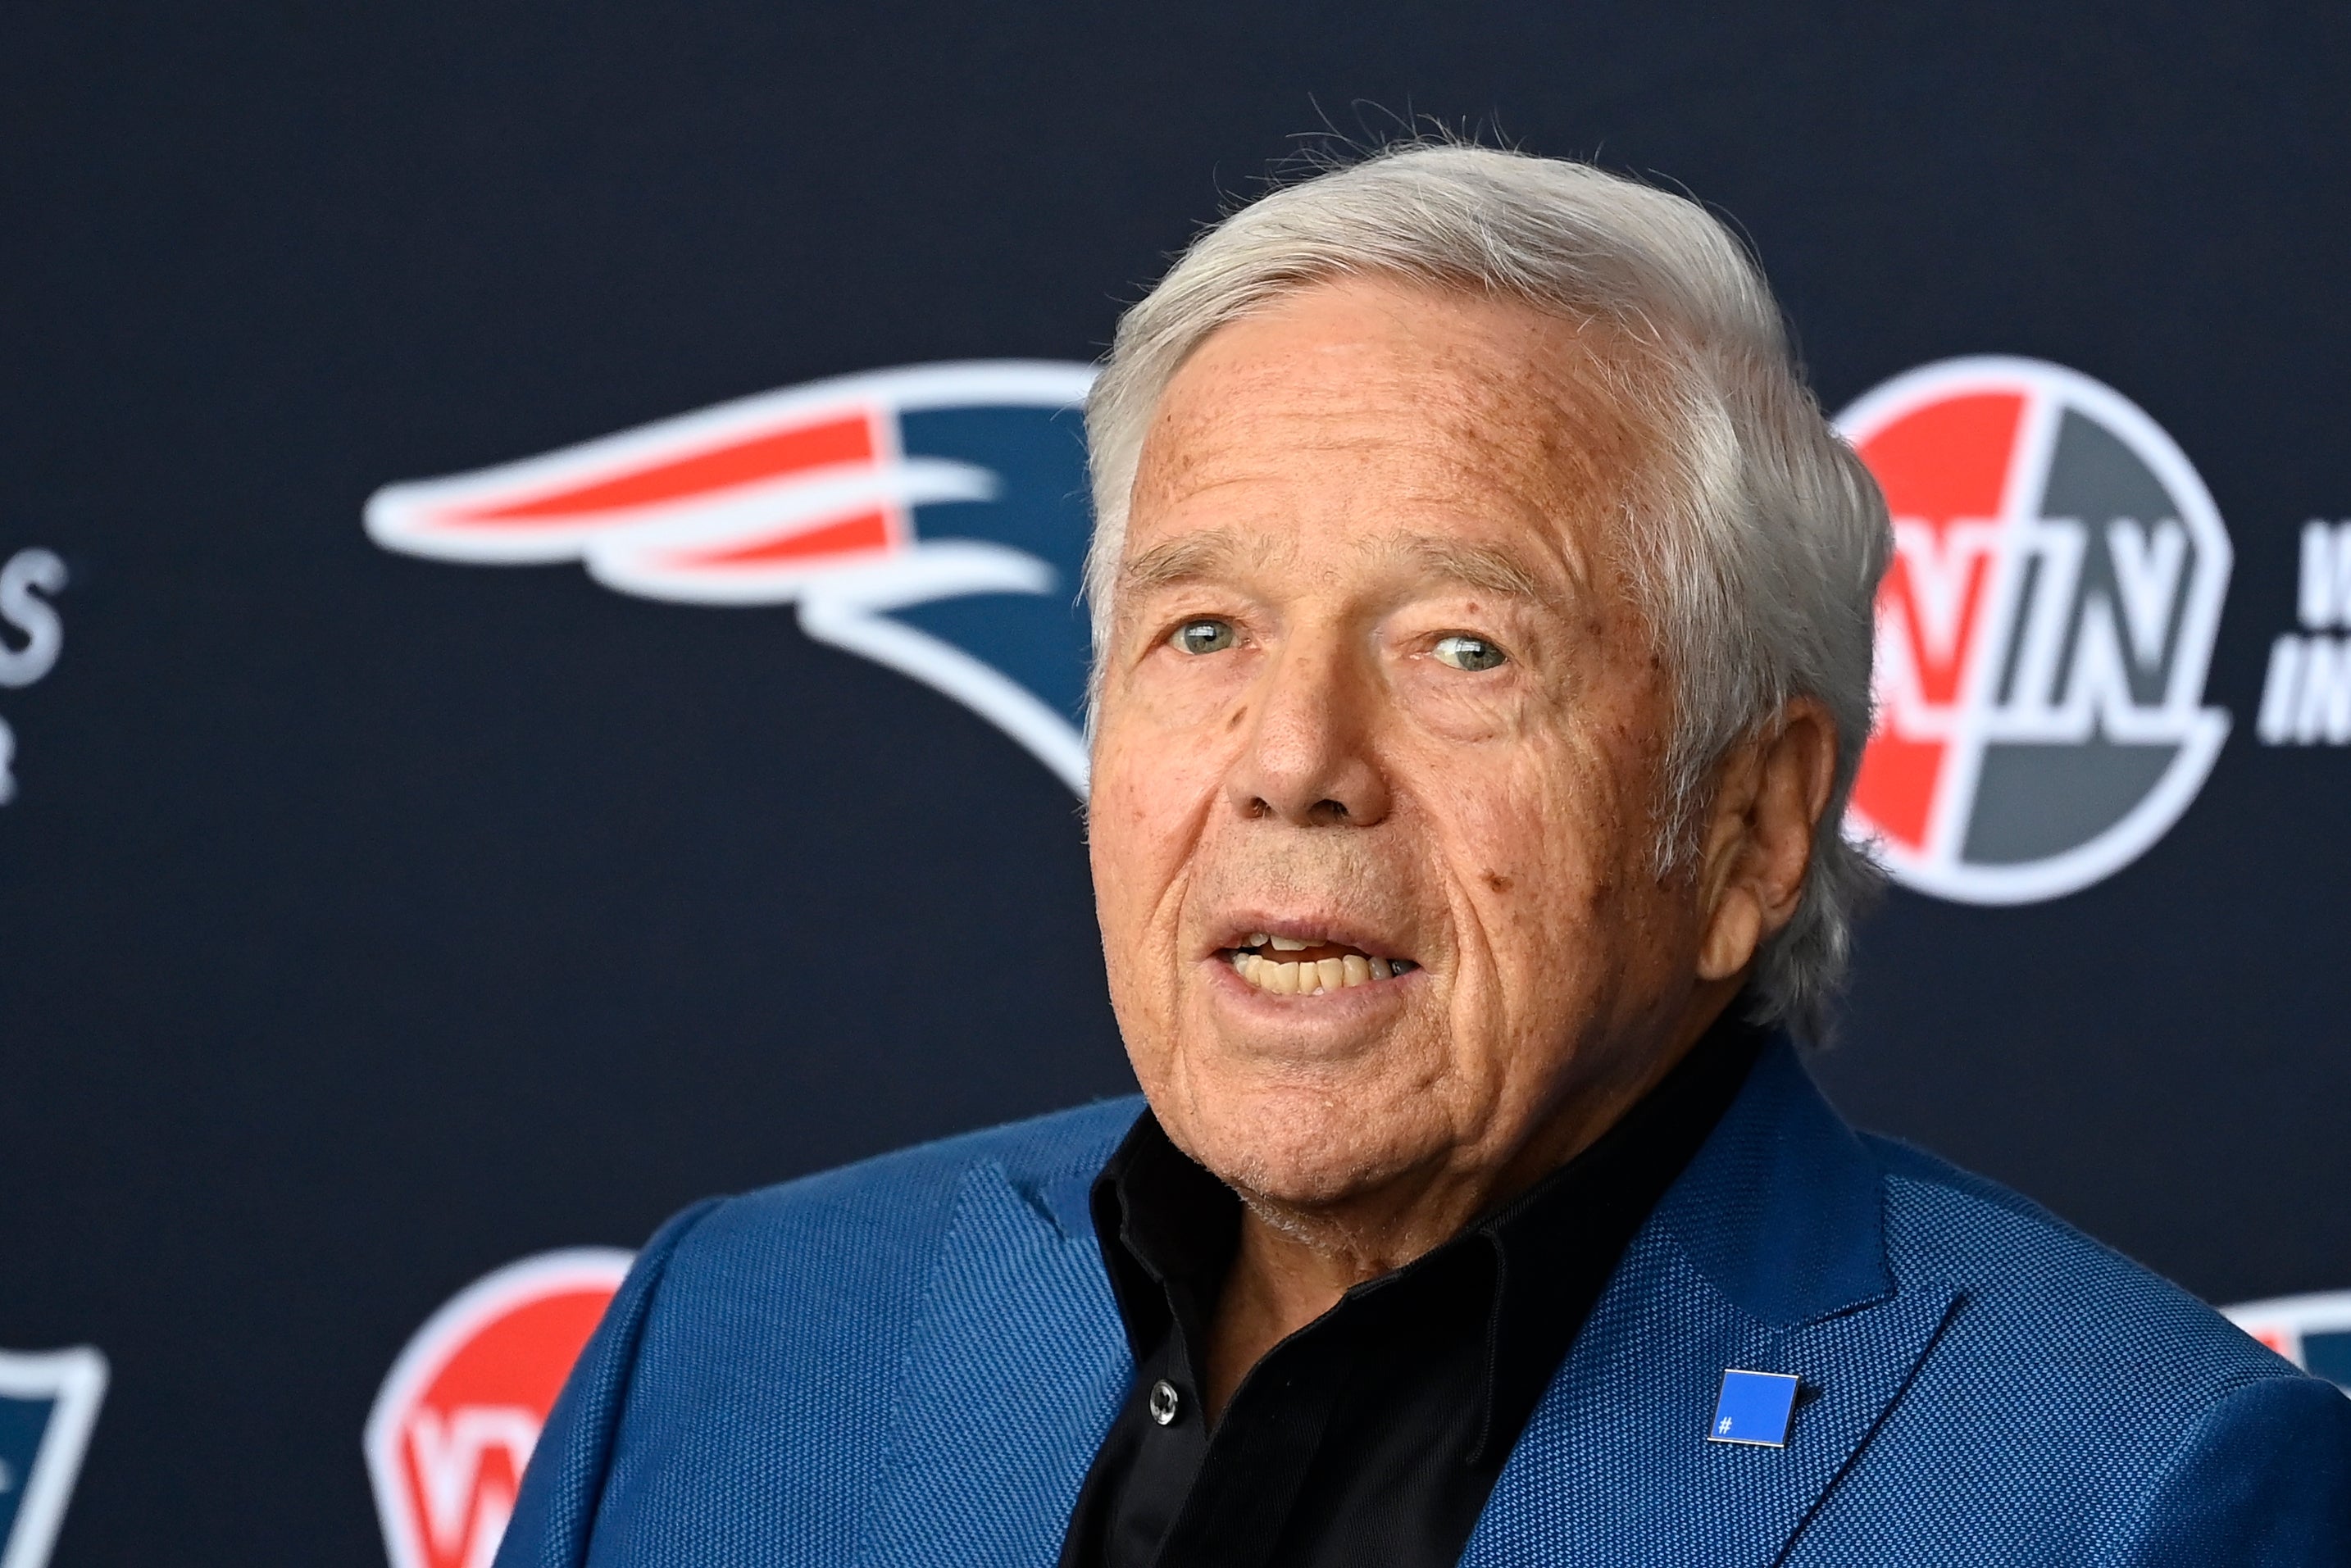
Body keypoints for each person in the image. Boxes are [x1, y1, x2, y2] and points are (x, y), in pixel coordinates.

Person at [493, 144, 2351, 1567]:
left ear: (1750, 820)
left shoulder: (2125, 1492)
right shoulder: (728, 1337)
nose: (1292, 761)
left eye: (1465, 647)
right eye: (1202, 632)